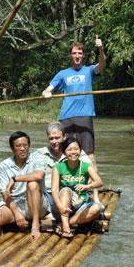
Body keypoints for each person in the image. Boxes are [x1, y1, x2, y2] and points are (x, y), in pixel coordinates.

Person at [41, 36, 106, 168]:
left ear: (83, 56)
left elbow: (102, 65)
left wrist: (100, 49)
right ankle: (65, 182)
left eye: (80, 53)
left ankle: (94, 186)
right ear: (71, 55)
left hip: (84, 116)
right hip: (66, 117)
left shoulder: (89, 70)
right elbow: (46, 90)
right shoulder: (62, 74)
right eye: (75, 53)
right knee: (64, 151)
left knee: (88, 152)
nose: (77, 55)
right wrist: (46, 93)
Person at [0, 131, 49, 239]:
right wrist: (16, 213)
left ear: (29, 146)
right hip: (15, 203)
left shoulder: (37, 158)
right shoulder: (4, 165)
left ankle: (35, 224)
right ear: (13, 149)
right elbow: (5, 193)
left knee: (32, 184)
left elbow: (39, 175)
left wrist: (15, 179)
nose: (22, 148)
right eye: (18, 146)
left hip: (36, 204)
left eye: (25, 145)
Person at [35, 121, 99, 210]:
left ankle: (66, 219)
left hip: (72, 194)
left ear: (64, 137)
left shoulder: (76, 153)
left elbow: (93, 176)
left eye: (57, 138)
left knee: (67, 193)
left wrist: (96, 198)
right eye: (51, 138)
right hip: (47, 196)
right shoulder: (40, 154)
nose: (54, 141)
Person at [51, 137, 103, 238]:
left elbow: (99, 182)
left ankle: (63, 224)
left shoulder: (86, 166)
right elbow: (54, 190)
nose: (73, 152)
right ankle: (66, 230)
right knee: (65, 190)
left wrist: (87, 186)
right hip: (63, 206)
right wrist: (60, 207)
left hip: (81, 204)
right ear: (64, 152)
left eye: (76, 149)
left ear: (80, 150)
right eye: (70, 150)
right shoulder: (58, 167)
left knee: (97, 208)